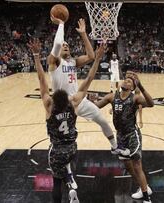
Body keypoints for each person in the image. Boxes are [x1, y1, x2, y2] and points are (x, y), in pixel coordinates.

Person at [28, 38, 105, 203]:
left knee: (56, 182)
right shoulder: (74, 103)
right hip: (72, 148)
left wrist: (36, 55)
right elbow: (88, 81)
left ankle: (67, 186)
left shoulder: (49, 106)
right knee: (67, 166)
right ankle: (71, 184)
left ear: (53, 96)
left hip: (56, 150)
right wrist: (97, 59)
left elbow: (42, 80)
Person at [48, 14, 128, 159]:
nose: (65, 46)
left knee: (102, 120)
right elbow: (58, 43)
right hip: (63, 104)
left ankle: (115, 147)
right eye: (63, 45)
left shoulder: (73, 62)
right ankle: (59, 156)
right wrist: (61, 24)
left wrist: (84, 34)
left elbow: (91, 56)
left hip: (79, 100)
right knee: (63, 135)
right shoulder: (54, 62)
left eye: (67, 45)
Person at [90, 73, 155, 203]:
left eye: (130, 82)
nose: (126, 82)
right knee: (127, 165)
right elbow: (95, 107)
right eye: (125, 80)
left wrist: (141, 86)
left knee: (137, 165)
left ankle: (147, 198)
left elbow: (151, 103)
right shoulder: (112, 96)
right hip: (120, 136)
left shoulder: (135, 98)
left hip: (132, 134)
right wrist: (91, 101)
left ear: (132, 87)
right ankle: (144, 188)